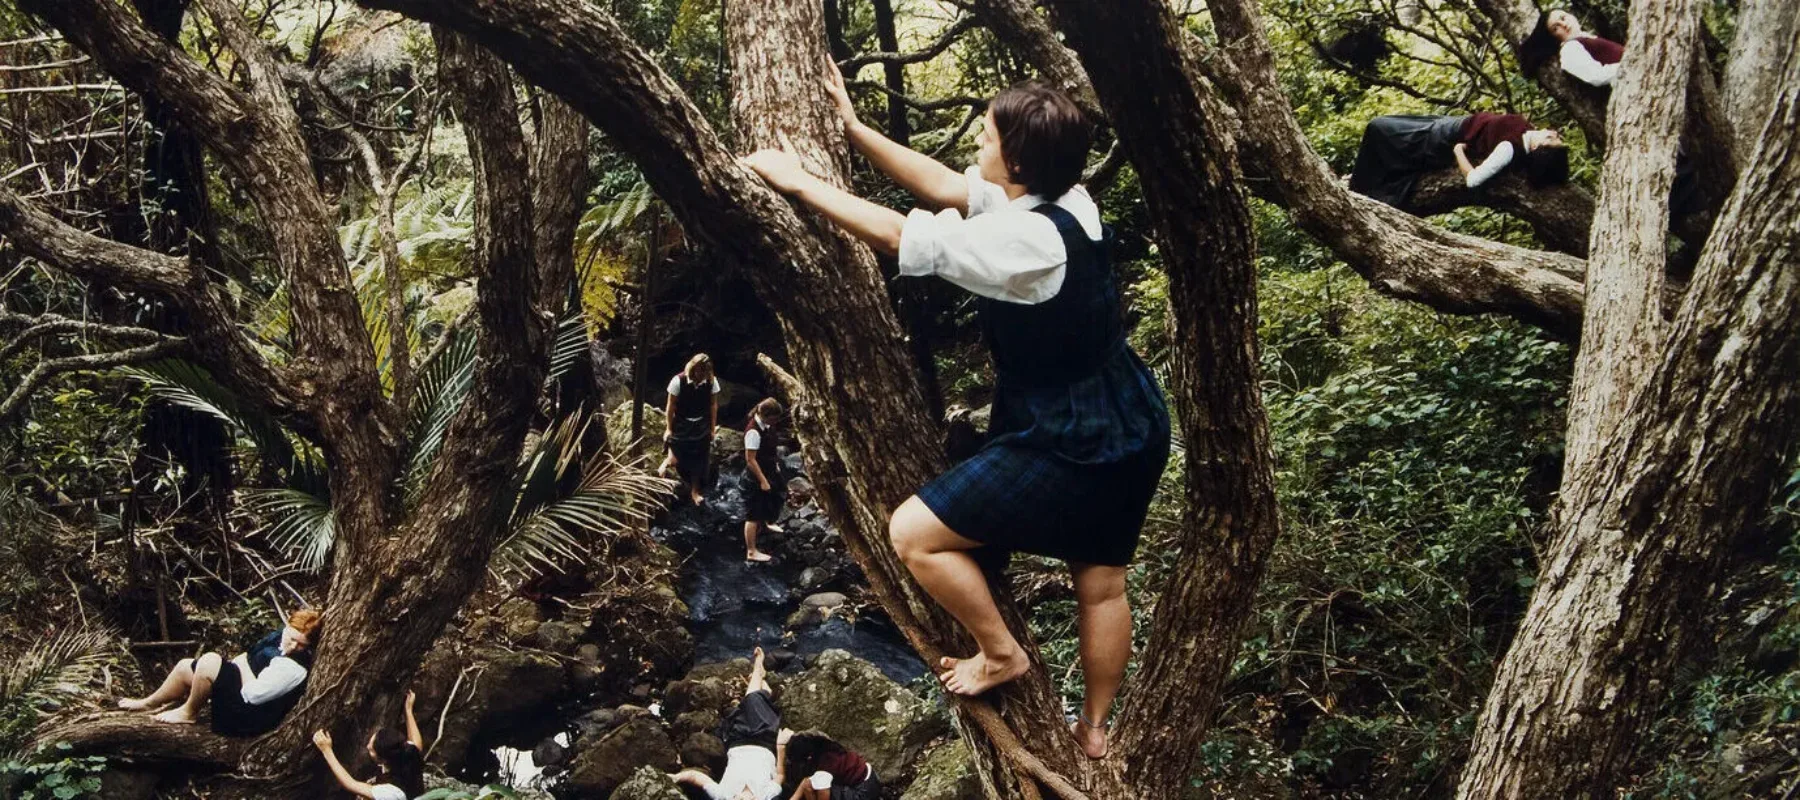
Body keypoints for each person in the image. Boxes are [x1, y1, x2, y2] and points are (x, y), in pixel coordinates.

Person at [741, 63, 1171, 760]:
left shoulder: (1027, 244)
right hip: (1128, 412)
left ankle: (1000, 653)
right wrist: (853, 131)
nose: (978, 140)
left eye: (989, 135)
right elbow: (946, 187)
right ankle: (1094, 731)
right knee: (1101, 583)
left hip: (1071, 437)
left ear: (1021, 160)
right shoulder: (1066, 199)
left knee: (914, 534)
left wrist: (799, 182)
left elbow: (897, 236)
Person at [119, 608, 322, 736]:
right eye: (291, 638)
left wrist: (241, 664)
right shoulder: (278, 638)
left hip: (248, 718)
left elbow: (253, 695)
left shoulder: (291, 668)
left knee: (210, 662)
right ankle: (148, 703)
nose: (294, 646)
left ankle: (188, 712)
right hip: (245, 694)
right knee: (184, 667)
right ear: (286, 626)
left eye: (301, 644)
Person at [1348, 112, 1570, 210]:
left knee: (1378, 127)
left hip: (1442, 137)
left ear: (1537, 148)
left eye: (1551, 138)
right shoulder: (1527, 133)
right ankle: (1361, 181)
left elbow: (1473, 180)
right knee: (1385, 129)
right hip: (1450, 123)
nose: (1551, 132)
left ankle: (1359, 187)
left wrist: (1458, 152)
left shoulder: (1509, 150)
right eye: (1556, 136)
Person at [671, 647, 787, 800]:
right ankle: (760, 674)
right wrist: (781, 746)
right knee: (752, 701)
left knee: (747, 704)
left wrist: (674, 778)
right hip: (764, 741)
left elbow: (695, 777)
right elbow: (780, 776)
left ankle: (762, 681)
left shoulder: (722, 796)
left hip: (736, 741)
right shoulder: (766, 795)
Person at [311, 690, 427, 799]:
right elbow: (416, 741)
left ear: (383, 760)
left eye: (372, 750)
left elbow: (351, 784)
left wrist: (327, 750)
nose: (367, 747)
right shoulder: (408, 753)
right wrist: (408, 710)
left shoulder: (391, 793)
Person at [661, 353, 722, 505]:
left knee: (699, 460)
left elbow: (713, 405)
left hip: (701, 424)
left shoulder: (711, 382)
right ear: (695, 369)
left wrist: (712, 429)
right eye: (701, 372)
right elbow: (670, 406)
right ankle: (668, 461)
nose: (703, 376)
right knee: (676, 455)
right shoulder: (678, 381)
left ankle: (695, 491)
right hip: (682, 422)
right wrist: (668, 428)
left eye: (706, 373)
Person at [1521, 9, 1623, 87]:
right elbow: (1596, 76)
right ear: (1553, 38)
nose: (1564, 25)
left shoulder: (1585, 38)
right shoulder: (1569, 49)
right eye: (1556, 28)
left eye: (1563, 18)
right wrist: (1629, 65)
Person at [741, 398, 787, 563]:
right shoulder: (753, 432)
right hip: (755, 476)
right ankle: (751, 550)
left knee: (775, 497)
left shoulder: (767, 426)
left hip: (769, 469)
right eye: (774, 418)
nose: (776, 422)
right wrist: (762, 480)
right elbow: (750, 460)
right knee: (753, 513)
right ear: (766, 415)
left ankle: (767, 524)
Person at [780, 730, 880, 800]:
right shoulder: (822, 745)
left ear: (808, 758)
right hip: (871, 777)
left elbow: (823, 793)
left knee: (815, 788)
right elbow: (806, 783)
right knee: (809, 784)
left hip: (864, 792)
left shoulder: (825, 767)